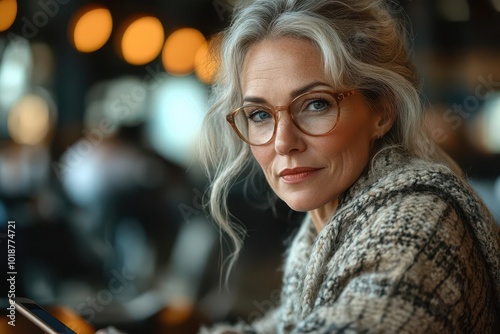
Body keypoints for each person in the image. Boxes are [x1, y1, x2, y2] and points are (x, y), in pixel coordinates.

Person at [197, 0, 500, 333]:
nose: (283, 142)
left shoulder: (418, 222)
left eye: (315, 104)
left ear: (382, 110)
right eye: (260, 115)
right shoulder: (331, 223)